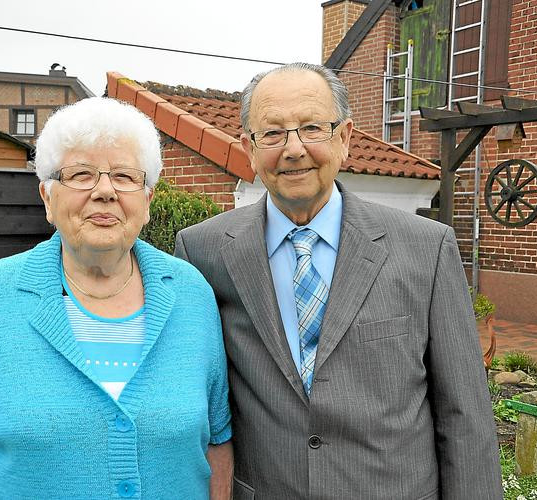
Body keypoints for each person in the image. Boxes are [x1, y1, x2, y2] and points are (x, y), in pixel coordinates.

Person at [174, 63, 501, 499]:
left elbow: (465, 415)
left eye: (312, 127)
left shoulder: (427, 248)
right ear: (249, 149)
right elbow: (194, 403)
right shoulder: (203, 251)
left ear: (344, 138)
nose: (293, 149)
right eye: (272, 133)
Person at [0, 97, 233, 499]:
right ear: (47, 197)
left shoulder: (191, 295)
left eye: (127, 177)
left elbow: (217, 443)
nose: (105, 192)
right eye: (81, 174)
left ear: (147, 201)